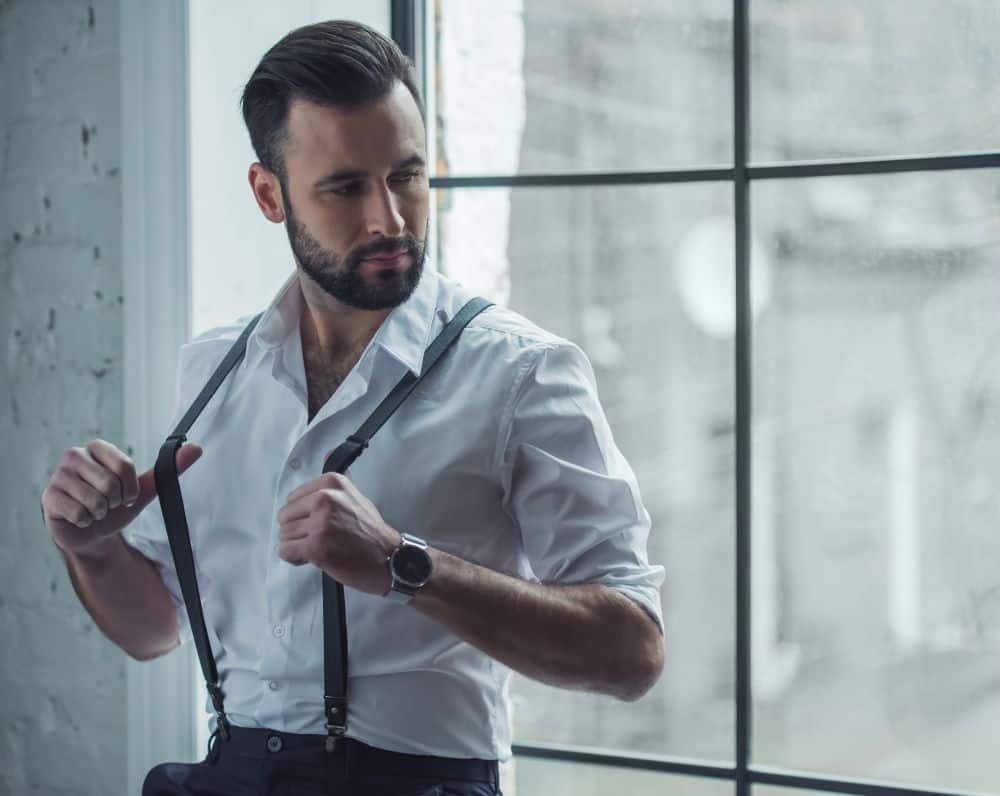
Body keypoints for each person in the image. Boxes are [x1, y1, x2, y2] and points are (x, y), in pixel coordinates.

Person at [40, 19, 665, 796]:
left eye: (406, 176)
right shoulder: (211, 371)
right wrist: (92, 549)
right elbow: (152, 630)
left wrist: (406, 566)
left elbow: (632, 652)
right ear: (270, 195)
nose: (389, 220)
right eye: (345, 188)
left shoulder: (522, 374)